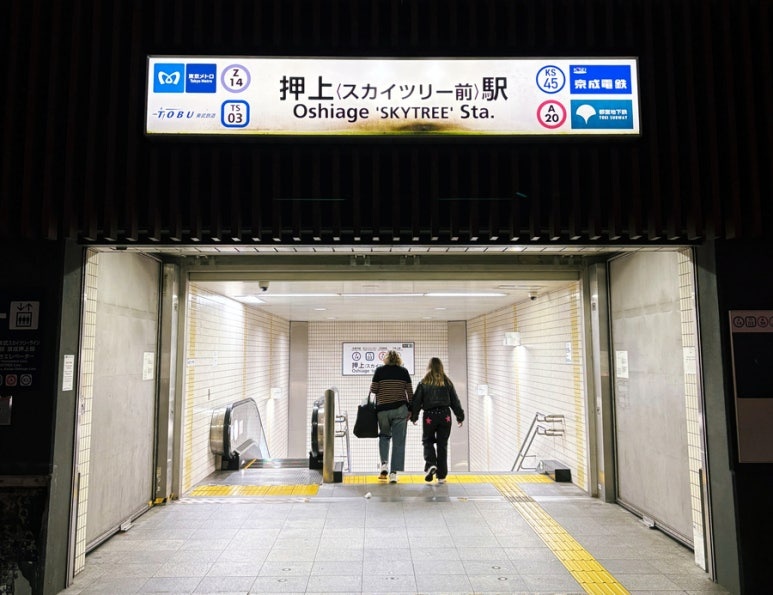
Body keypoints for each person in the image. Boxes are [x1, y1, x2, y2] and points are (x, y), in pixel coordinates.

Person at [410, 357, 464, 484]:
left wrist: (414, 416)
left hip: (430, 416)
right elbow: (455, 401)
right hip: (445, 416)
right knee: (442, 445)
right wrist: (460, 416)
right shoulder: (447, 382)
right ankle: (441, 476)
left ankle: (431, 464)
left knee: (427, 441)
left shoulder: (423, 382)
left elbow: (416, 401)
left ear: (429, 367)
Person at [369, 350, 412, 483]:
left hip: (383, 410)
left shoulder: (379, 371)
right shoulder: (403, 372)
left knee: (384, 436)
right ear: (398, 359)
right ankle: (393, 473)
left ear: (386, 359)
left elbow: (373, 390)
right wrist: (411, 409)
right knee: (398, 441)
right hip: (400, 410)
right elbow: (410, 392)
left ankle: (384, 464)